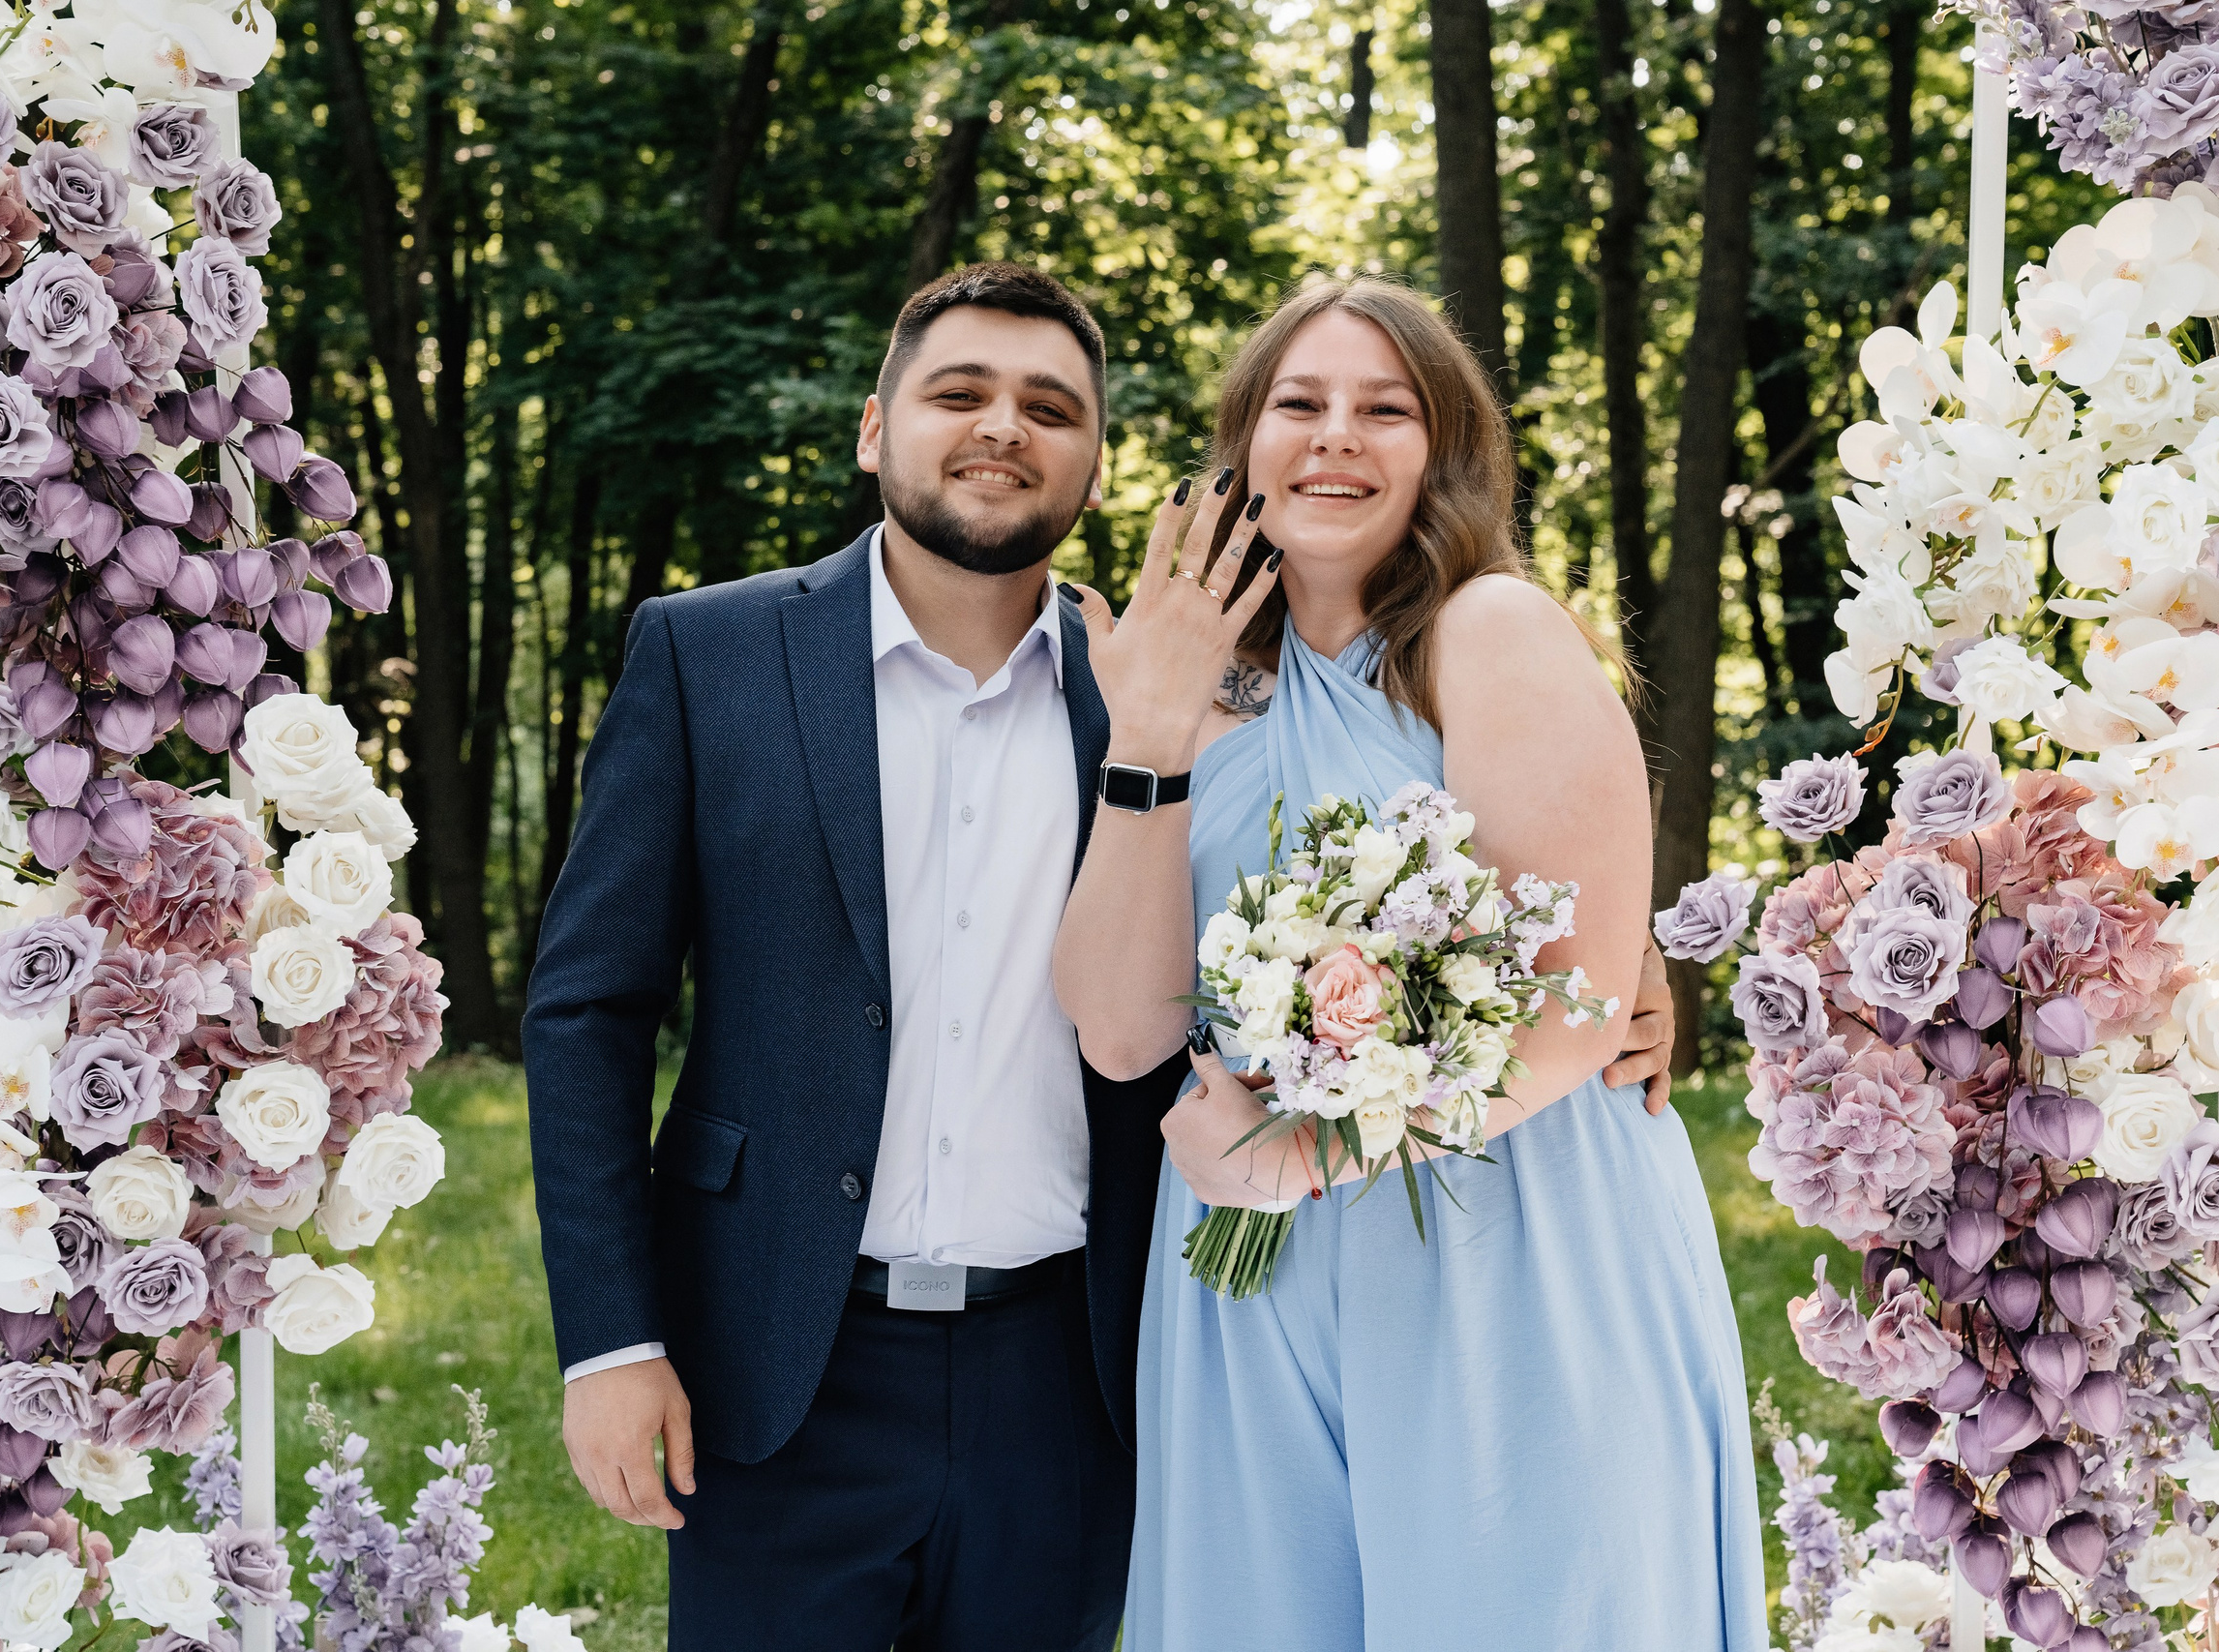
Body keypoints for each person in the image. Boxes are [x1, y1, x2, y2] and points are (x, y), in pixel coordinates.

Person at [523, 262, 1683, 1652]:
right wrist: (611, 1340)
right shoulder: (719, 655)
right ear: (873, 426)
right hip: (786, 1358)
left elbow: (1537, 890)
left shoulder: (1150, 676)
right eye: (959, 392)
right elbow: (589, 1009)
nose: (1002, 427)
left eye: (1050, 407)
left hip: (1084, 1363)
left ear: (1098, 460)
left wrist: (1625, 973)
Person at [1053, 274, 1767, 1649]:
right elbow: (1121, 1030)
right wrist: (1146, 735)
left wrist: (1307, 1152)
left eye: (1384, 411)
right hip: (1249, 1278)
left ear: (1442, 453)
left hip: (1512, 1242)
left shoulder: (1488, 632)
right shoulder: (1180, 680)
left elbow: (1575, 1007)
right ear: (1243, 439)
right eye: (1298, 404)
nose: (1335, 437)